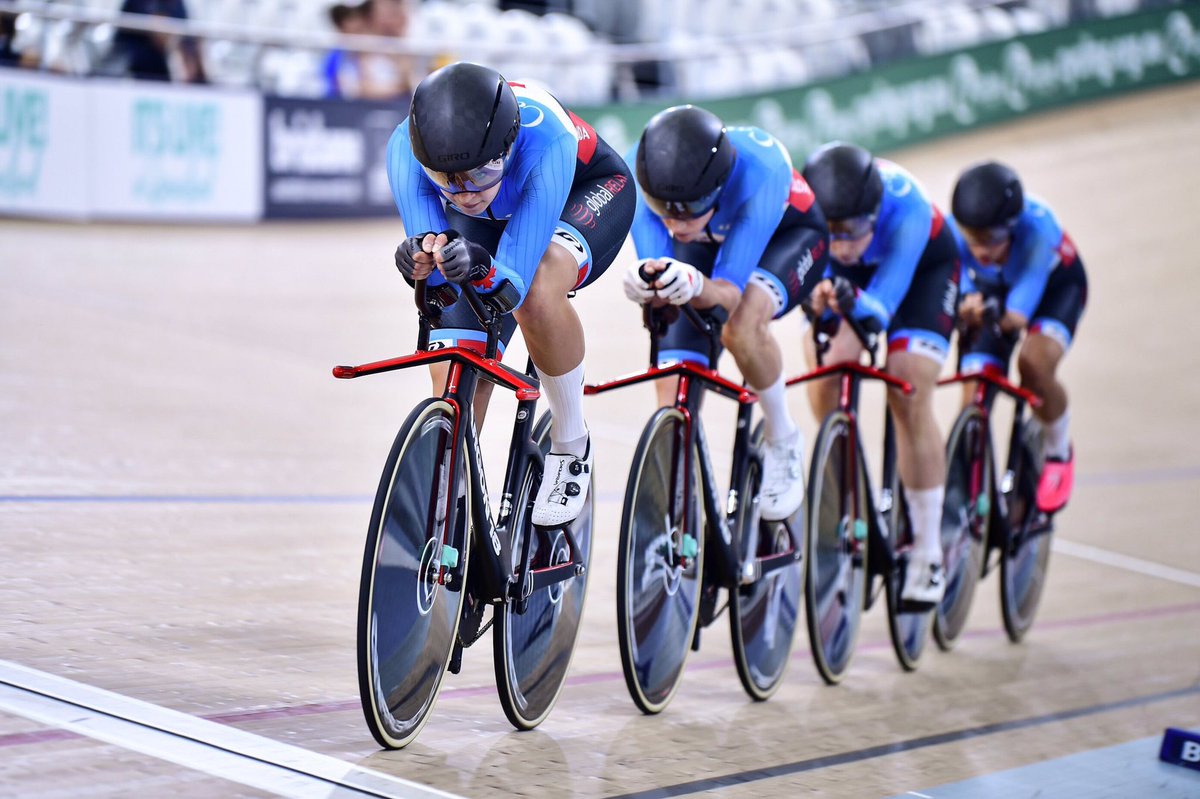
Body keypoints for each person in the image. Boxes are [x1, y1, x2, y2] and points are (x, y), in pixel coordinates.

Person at [388, 62, 636, 527]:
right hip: (491, 223)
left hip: (582, 194)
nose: (463, 193)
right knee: (459, 355)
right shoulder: (405, 148)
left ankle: (569, 439)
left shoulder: (548, 142)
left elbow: (512, 284)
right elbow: (438, 273)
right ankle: (453, 507)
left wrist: (479, 265)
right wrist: (421, 261)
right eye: (445, 178)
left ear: (507, 146)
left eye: (479, 172)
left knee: (538, 290)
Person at [621, 105, 829, 522]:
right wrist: (648, 281)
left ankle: (782, 434)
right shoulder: (640, 171)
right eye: (663, 207)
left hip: (785, 238)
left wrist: (696, 285)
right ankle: (679, 502)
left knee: (741, 327)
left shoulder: (762, 169)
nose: (676, 224)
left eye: (690, 206)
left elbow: (729, 294)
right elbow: (662, 272)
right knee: (674, 377)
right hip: (708, 240)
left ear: (717, 187)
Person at [801, 142, 960, 604]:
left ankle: (928, 553)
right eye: (831, 231)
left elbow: (881, 308)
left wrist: (848, 304)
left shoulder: (906, 207)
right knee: (824, 376)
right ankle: (856, 494)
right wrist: (816, 304)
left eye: (853, 229)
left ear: (874, 212)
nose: (843, 243)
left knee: (907, 387)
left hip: (919, 276)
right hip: (854, 287)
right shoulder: (808, 217)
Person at [949, 160, 1087, 514]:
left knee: (1033, 366)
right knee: (975, 390)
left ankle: (1058, 450)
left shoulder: (1038, 228)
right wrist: (965, 303)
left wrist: (984, 309)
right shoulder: (956, 230)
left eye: (992, 240)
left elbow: (1017, 315)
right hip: (995, 294)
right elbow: (959, 284)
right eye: (972, 238)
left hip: (1053, 293)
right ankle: (973, 479)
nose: (981, 250)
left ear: (1011, 227)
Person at [321, 2, 366, 99]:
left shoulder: (364, 51)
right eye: (351, 19)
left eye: (359, 17)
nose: (358, 23)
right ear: (341, 24)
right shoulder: (334, 56)